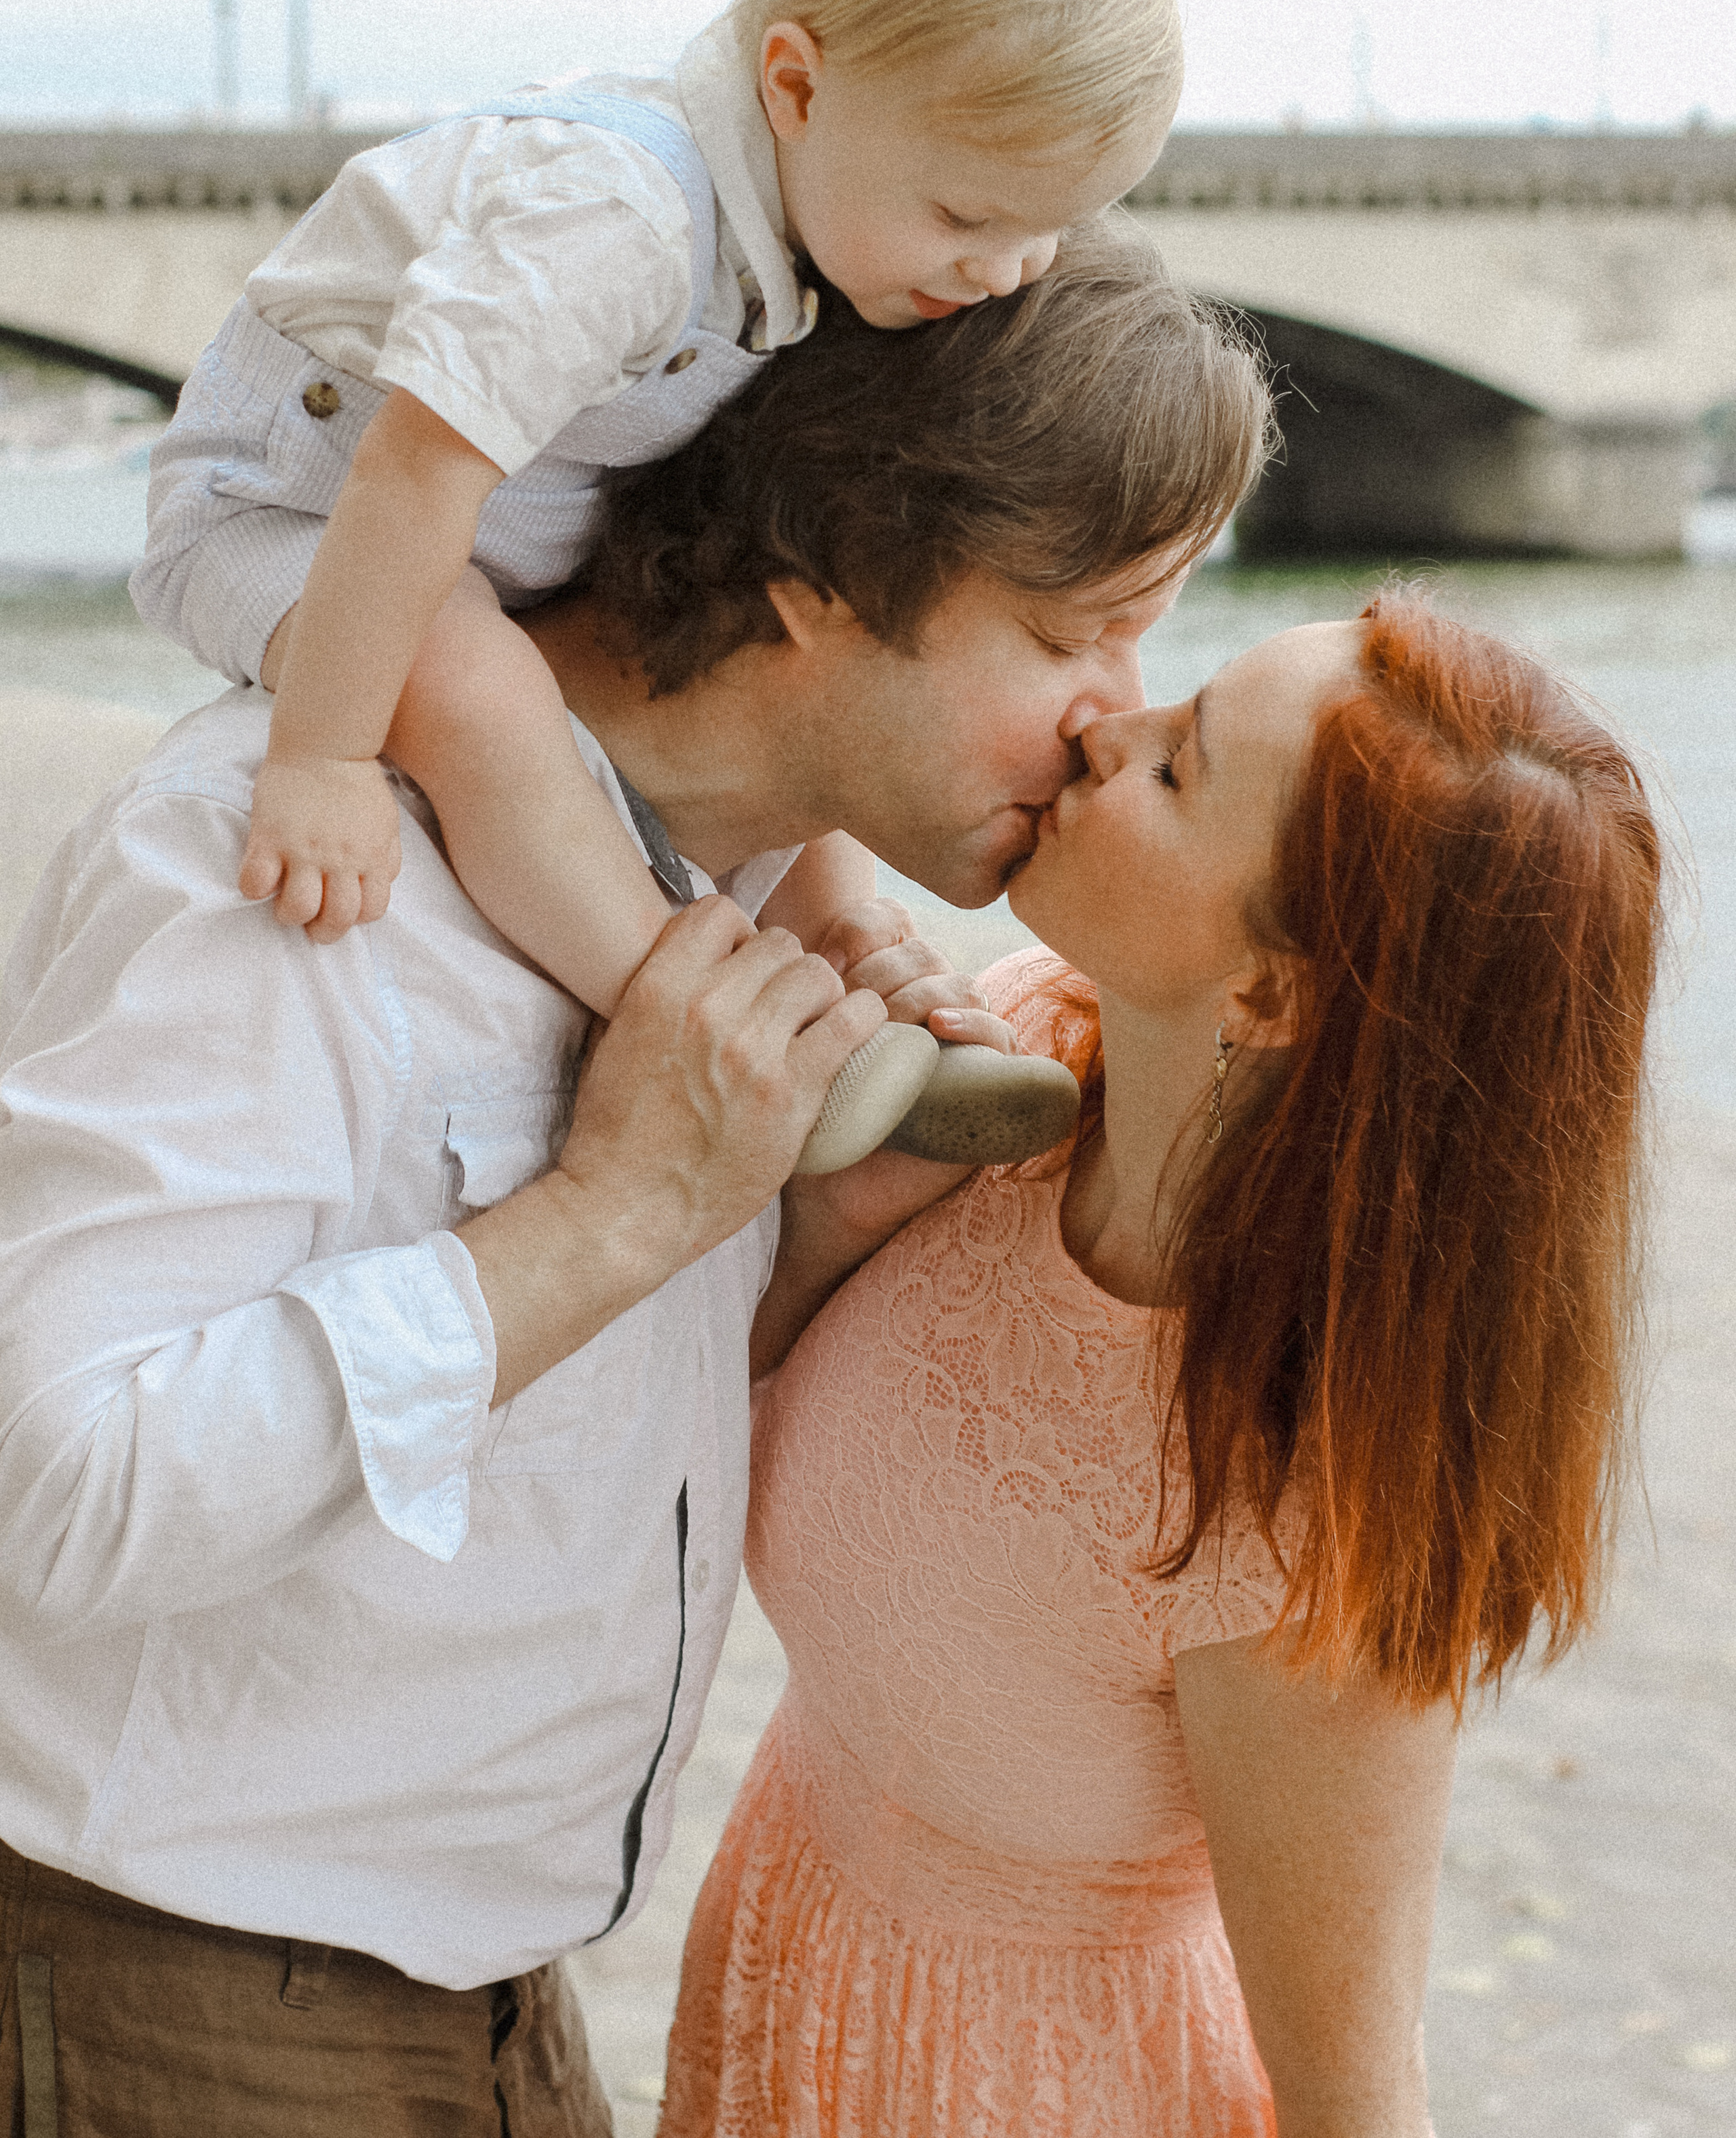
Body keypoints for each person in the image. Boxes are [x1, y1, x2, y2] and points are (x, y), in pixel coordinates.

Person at [0, 227, 1271, 2135]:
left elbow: (515, 1439)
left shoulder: (734, 905)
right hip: (181, 1999)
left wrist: (776, 1240)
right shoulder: (277, 876)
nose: (1115, 709)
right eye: (1079, 628)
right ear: (827, 583)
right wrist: (616, 1214)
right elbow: (56, 1497)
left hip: (502, 2013)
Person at [661, 590, 1662, 2138]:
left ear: (1269, 994)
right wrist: (816, 1229)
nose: (1096, 724)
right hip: (789, 1964)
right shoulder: (1012, 1061)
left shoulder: (1291, 1515)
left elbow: (1353, 2099)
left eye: (1178, 764)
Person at [130, 0, 1181, 1176]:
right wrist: (322, 756)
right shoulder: (616, 217)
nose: (1001, 270)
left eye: (1044, 231)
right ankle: (693, 1009)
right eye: (971, 219)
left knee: (785, 708)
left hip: (487, 525)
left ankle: (849, 952)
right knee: (465, 678)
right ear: (795, 85)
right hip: (292, 512)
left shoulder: (808, 219)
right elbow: (410, 470)